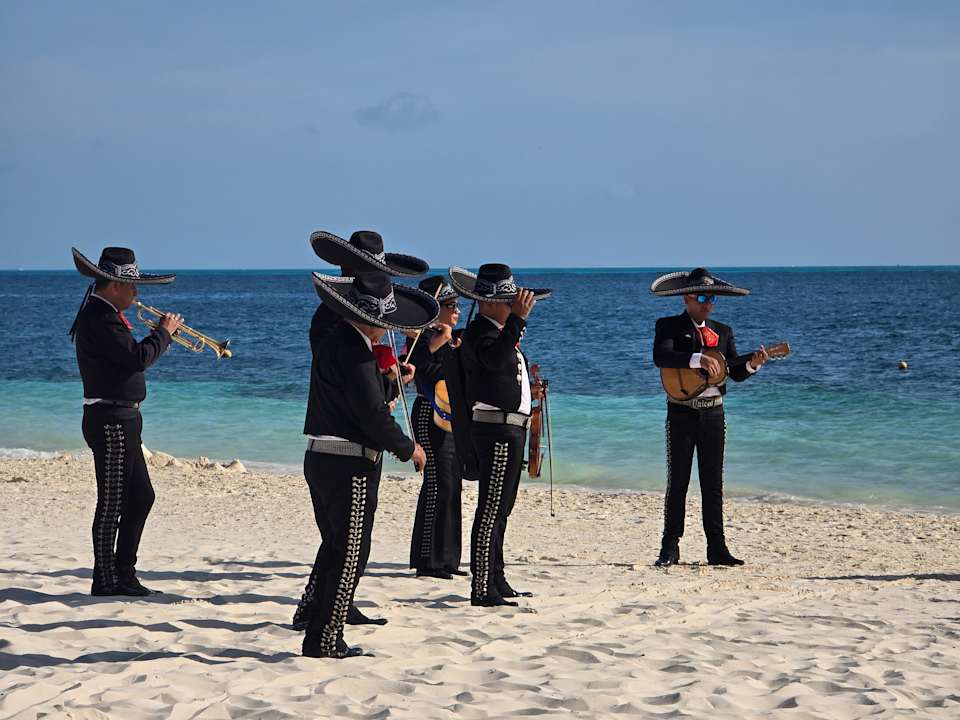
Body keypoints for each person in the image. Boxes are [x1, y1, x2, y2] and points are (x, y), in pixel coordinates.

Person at [292, 230, 427, 630]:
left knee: (341, 545)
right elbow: (363, 402)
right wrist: (407, 447)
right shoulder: (338, 330)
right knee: (348, 547)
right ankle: (324, 629)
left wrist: (390, 378)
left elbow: (361, 389)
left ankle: (320, 611)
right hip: (344, 449)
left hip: (338, 442)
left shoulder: (350, 337)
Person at [69, 247, 183, 596]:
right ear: (116, 286)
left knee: (141, 496)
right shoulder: (100, 318)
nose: (137, 294)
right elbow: (138, 358)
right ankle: (106, 578)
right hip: (111, 418)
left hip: (123, 416)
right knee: (113, 501)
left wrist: (160, 336)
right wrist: (163, 333)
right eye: (133, 288)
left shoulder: (104, 314)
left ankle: (124, 571)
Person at [650, 268, 769, 567]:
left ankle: (717, 548)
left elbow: (734, 373)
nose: (708, 304)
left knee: (713, 483)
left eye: (712, 298)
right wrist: (696, 358)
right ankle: (670, 547)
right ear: (688, 298)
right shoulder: (669, 326)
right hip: (681, 413)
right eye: (702, 297)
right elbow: (661, 357)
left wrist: (753, 365)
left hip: (714, 414)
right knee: (677, 482)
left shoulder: (723, 331)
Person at [448, 264, 551, 607]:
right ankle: (482, 585)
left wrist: (528, 392)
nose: (515, 307)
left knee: (501, 508)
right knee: (491, 509)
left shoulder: (498, 333)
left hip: (510, 426)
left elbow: (499, 373)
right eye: (509, 302)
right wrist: (517, 322)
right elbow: (493, 360)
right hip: (494, 429)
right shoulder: (481, 332)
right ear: (491, 303)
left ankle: (496, 576)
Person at [404, 276, 466, 579]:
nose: (457, 310)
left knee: (453, 484)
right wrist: (435, 345)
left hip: (452, 417)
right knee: (435, 485)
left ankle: (448, 558)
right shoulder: (420, 338)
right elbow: (419, 373)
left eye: (457, 305)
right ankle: (428, 559)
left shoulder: (453, 337)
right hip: (429, 412)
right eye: (450, 305)